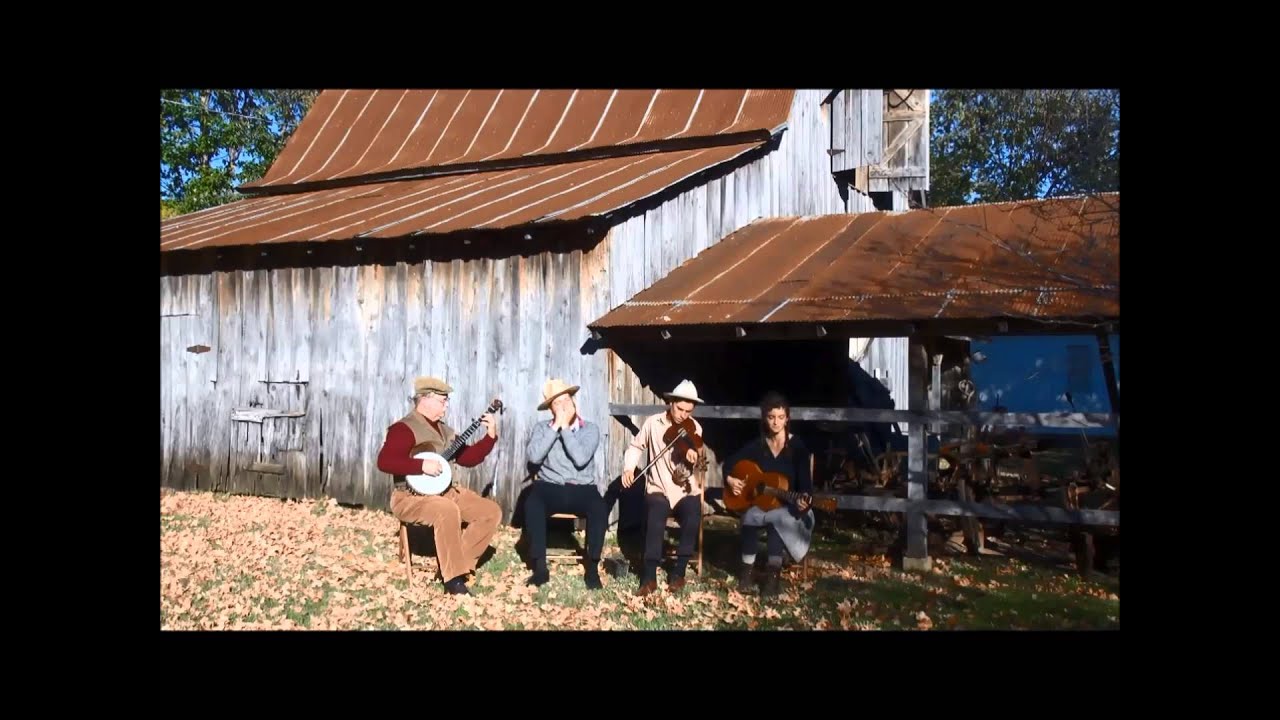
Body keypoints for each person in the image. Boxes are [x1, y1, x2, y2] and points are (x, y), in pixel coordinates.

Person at [376, 376, 501, 595]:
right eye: (443, 400)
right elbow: (385, 461)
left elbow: (467, 458)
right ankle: (453, 580)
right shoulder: (404, 429)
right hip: (410, 498)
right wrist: (420, 465)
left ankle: (457, 566)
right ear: (426, 399)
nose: (446, 405)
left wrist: (489, 438)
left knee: (490, 512)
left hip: (446, 492)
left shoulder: (446, 431)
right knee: (446, 509)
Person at [723, 391, 814, 596]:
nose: (776, 422)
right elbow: (730, 463)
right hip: (763, 503)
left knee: (776, 521)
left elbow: (806, 489)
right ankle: (746, 574)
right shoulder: (759, 445)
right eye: (771, 417)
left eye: (781, 417)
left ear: (787, 419)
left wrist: (804, 503)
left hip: (788, 506)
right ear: (765, 418)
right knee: (749, 517)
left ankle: (772, 580)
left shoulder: (797, 447)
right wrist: (730, 479)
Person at [622, 379, 705, 596]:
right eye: (679, 409)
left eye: (688, 411)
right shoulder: (653, 423)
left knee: (693, 514)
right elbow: (635, 446)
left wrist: (689, 460)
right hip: (658, 485)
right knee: (656, 511)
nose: (683, 415)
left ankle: (678, 572)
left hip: (683, 488)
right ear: (671, 403)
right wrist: (629, 468)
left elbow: (692, 461)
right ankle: (649, 577)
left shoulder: (694, 428)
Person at [523, 378, 607, 590]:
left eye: (565, 401)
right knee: (533, 503)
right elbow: (534, 457)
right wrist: (554, 429)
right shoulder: (542, 428)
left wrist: (565, 430)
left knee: (599, 508)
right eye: (556, 403)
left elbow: (580, 458)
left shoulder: (590, 429)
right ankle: (540, 569)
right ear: (550, 409)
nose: (562, 407)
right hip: (550, 486)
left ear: (574, 402)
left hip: (582, 489)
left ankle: (593, 569)